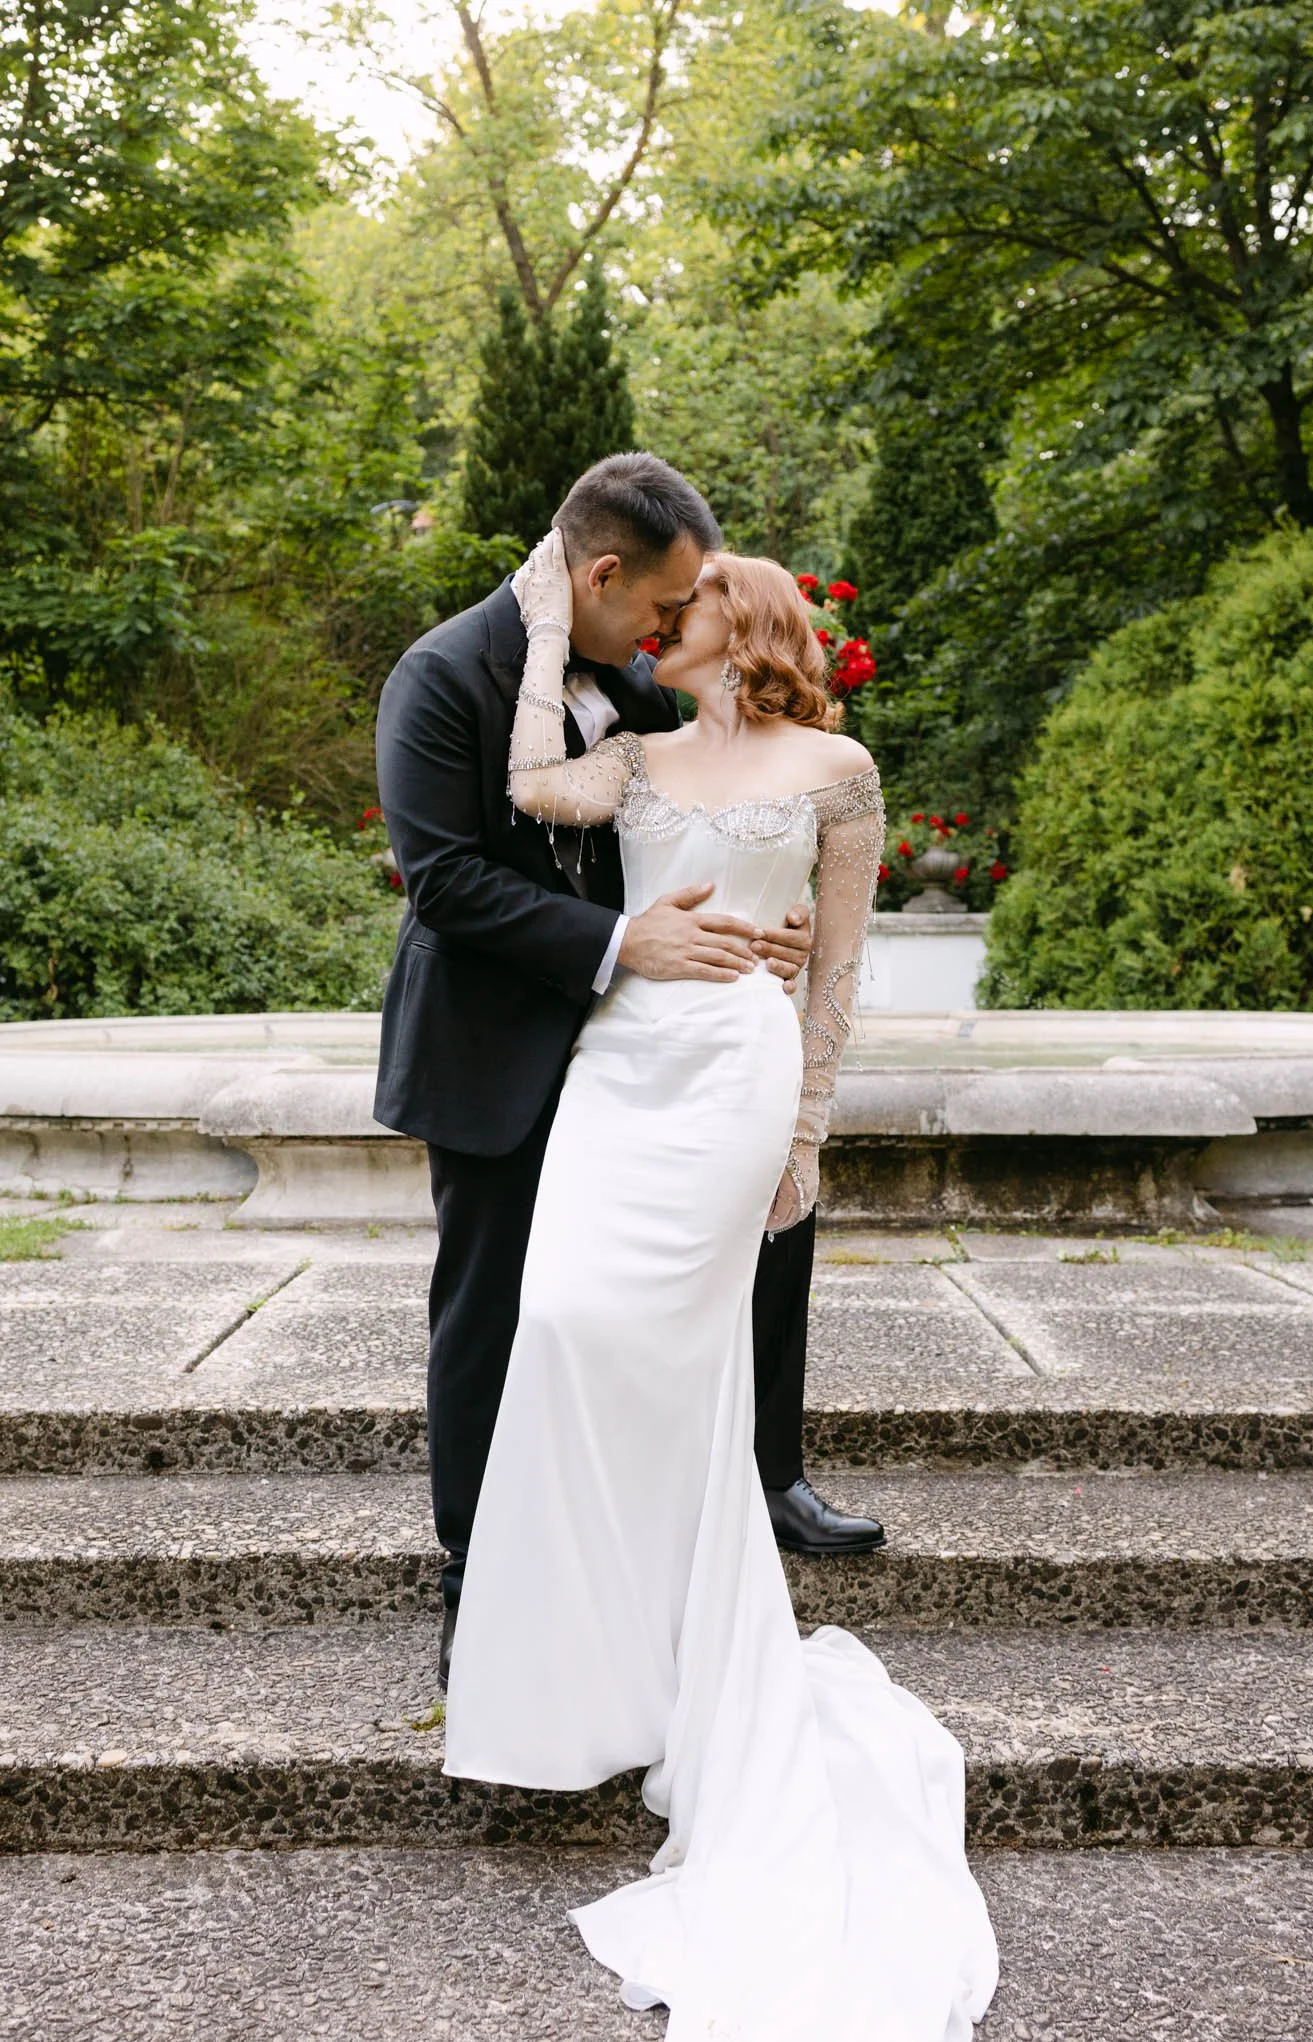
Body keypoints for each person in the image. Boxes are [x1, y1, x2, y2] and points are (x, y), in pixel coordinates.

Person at [443, 531, 999, 2039]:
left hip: (736, 1078)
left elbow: (837, 972)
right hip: (618, 1072)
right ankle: (590, 1672)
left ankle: (697, 1675)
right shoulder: (622, 755)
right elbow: (515, 788)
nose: (659, 620)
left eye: (679, 608)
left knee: (688, 1367)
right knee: (561, 1325)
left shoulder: (841, 770)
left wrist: (806, 1135)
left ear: (736, 625)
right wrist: (547, 636)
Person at [374, 454, 884, 1693]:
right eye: (659, 608)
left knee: (739, 1258)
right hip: (502, 1047)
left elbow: (686, 818)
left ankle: (734, 1497)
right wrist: (624, 942)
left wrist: (774, 921)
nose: (669, 629)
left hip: (661, 1038)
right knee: (503, 1312)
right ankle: (473, 1577)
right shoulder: (443, 675)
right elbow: (446, 880)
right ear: (596, 577)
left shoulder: (638, 690)